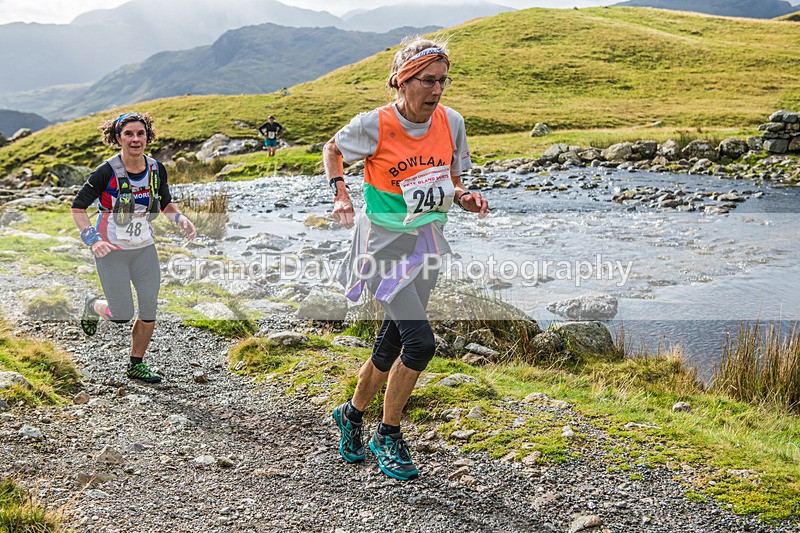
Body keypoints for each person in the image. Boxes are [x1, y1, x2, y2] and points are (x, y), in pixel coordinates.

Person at [325, 38, 489, 481]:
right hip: (382, 246)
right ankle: (389, 434)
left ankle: (351, 414)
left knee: (392, 343)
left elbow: (450, 180)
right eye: (427, 81)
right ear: (402, 79)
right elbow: (332, 149)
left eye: (442, 81)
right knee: (421, 343)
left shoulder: (451, 122)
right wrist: (341, 193)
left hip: (427, 243)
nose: (436, 90)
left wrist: (466, 198)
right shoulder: (375, 124)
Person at [71, 112, 196, 384]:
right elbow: (78, 208)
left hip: (144, 249)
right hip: (112, 252)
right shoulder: (105, 172)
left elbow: (164, 203)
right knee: (122, 314)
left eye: (140, 133)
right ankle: (93, 305)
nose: (135, 139)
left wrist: (180, 218)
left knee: (149, 306)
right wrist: (93, 240)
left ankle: (136, 364)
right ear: (118, 138)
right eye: (129, 134)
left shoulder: (155, 169)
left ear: (147, 137)